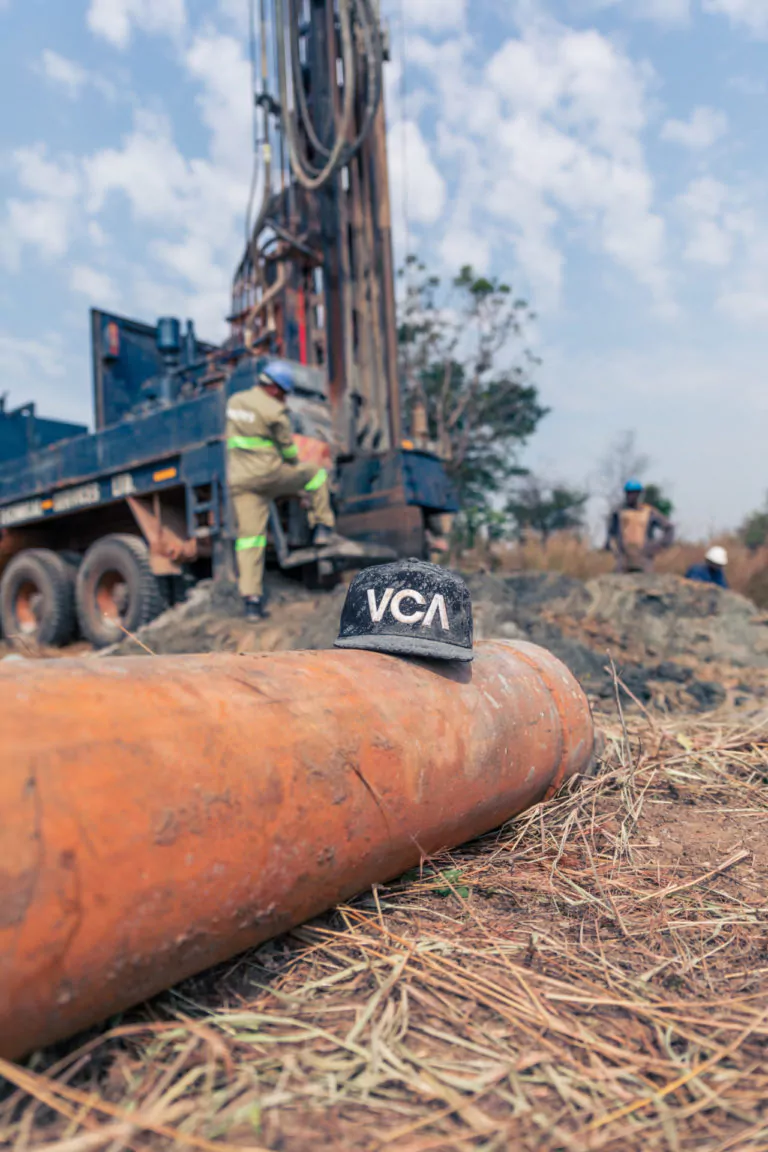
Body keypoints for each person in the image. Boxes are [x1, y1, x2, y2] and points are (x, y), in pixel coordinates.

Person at [226, 359, 338, 619]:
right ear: (276, 389)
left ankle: (251, 603)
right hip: (269, 475)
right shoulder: (275, 411)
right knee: (315, 475)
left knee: (249, 539)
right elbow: (288, 451)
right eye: (285, 393)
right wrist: (296, 475)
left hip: (241, 481)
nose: (285, 398)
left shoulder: (235, 402)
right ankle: (322, 527)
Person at [605, 479, 674, 573]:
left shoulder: (649, 512)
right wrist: (614, 548)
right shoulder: (618, 512)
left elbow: (669, 528)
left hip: (644, 557)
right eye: (629, 493)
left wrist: (657, 546)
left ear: (639, 494)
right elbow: (611, 533)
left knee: (647, 584)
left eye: (635, 493)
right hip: (623, 557)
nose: (632, 496)